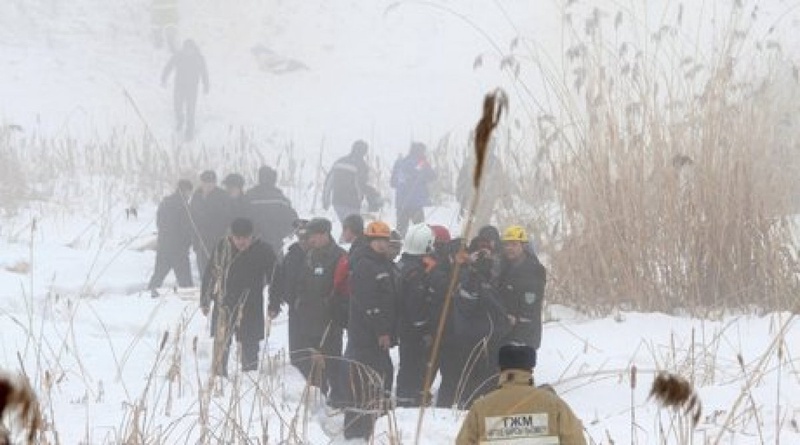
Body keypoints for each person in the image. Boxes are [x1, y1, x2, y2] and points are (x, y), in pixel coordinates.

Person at [277, 218, 348, 405]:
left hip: (330, 318)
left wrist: (333, 306)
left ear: (324, 234)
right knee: (312, 361)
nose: (310, 240)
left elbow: (343, 288)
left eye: (313, 236)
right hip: (309, 317)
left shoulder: (339, 256)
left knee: (331, 359)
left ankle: (338, 397)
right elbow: (301, 281)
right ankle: (320, 396)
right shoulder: (310, 255)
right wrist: (299, 302)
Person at [456, 344, 587, 444]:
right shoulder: (555, 405)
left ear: (501, 369)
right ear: (531, 370)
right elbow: (576, 441)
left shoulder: (481, 407)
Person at [200, 218, 277, 376]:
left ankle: (250, 376)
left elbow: (275, 278)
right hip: (224, 303)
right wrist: (205, 299)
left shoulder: (263, 250)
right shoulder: (222, 247)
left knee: (249, 345)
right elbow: (210, 274)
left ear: (252, 236)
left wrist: (274, 304)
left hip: (251, 304)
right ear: (231, 236)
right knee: (221, 342)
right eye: (238, 238)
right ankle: (219, 377)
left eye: (245, 238)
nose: (241, 242)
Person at [343, 221, 398, 440]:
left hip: (373, 335)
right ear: (369, 240)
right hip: (366, 336)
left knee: (379, 376)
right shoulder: (366, 265)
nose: (382, 244)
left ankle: (374, 425)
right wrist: (381, 331)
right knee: (366, 379)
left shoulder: (381, 263)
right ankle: (359, 430)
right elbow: (369, 303)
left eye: (385, 240)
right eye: (378, 240)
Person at [395, 223, 446, 407]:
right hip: (413, 331)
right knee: (413, 367)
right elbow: (416, 307)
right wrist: (425, 330)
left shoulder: (401, 264)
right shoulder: (416, 273)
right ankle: (410, 401)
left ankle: (406, 398)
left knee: (406, 366)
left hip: (402, 326)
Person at [497, 225, 547, 350]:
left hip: (523, 336)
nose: (509, 248)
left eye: (514, 244)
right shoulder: (503, 267)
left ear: (523, 246)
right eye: (507, 245)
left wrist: (517, 320)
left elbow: (532, 302)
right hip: (504, 333)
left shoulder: (534, 269)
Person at [147, 179, 194, 297]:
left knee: (158, 276)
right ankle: (188, 300)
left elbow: (160, 223)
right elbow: (187, 228)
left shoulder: (166, 202)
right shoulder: (185, 207)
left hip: (164, 246)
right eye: (188, 192)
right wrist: (187, 242)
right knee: (186, 282)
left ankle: (149, 295)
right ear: (186, 191)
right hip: (179, 249)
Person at [245, 166, 298, 259]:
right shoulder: (281, 199)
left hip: (252, 243)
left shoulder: (249, 197)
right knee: (275, 271)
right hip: (275, 245)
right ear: (273, 180)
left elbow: (240, 217)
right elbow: (293, 222)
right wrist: (280, 234)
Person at [161, 39, 209, 141]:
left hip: (192, 88)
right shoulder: (178, 56)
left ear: (193, 49)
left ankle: (189, 132)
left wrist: (206, 85)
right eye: (186, 49)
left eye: (189, 50)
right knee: (177, 106)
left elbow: (204, 72)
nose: (187, 52)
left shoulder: (199, 58)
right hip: (179, 86)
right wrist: (164, 78)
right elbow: (168, 67)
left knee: (191, 110)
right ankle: (180, 119)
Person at [189, 170, 231, 280]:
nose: (208, 185)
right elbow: (192, 218)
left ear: (214, 183)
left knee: (218, 270)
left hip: (217, 239)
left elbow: (227, 217)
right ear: (201, 182)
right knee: (203, 271)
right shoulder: (196, 196)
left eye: (211, 182)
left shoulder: (222, 196)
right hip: (200, 240)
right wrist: (194, 241)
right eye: (205, 182)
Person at [390, 142, 437, 235]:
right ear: (420, 151)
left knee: (400, 232)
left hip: (401, 203)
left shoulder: (399, 162)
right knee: (420, 231)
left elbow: (393, 183)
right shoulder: (421, 162)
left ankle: (398, 248)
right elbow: (432, 176)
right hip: (415, 203)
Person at [456, 148, 506, 229]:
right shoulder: (470, 161)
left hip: (488, 198)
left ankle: (480, 235)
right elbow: (462, 179)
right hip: (472, 197)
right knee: (471, 221)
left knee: (484, 221)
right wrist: (461, 195)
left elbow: (501, 181)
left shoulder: (495, 162)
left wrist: (505, 198)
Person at [322, 140, 370, 222]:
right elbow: (361, 185)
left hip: (337, 201)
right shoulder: (361, 165)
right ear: (364, 152)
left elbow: (329, 182)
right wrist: (362, 200)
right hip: (352, 203)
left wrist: (325, 200)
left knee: (347, 227)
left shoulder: (339, 161)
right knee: (352, 230)